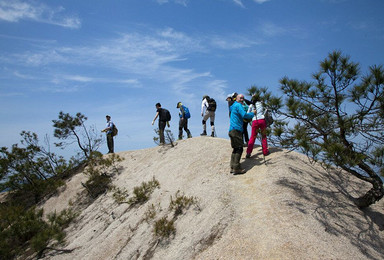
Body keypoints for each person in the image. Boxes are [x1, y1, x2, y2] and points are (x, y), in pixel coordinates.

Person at [229, 94, 255, 174]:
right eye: (240, 98)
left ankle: (232, 166)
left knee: (235, 148)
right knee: (239, 148)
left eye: (243, 98)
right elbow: (244, 115)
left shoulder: (233, 106)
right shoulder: (239, 105)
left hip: (231, 129)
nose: (242, 99)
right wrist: (253, 113)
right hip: (237, 129)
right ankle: (236, 168)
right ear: (236, 98)